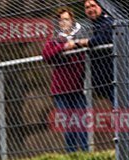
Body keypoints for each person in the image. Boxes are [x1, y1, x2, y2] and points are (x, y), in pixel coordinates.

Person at [75, 0, 129, 150]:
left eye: (93, 6)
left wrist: (82, 42)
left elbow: (106, 39)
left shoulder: (109, 21)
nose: (90, 9)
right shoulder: (93, 26)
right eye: (87, 7)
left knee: (123, 108)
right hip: (111, 77)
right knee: (125, 109)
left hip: (128, 71)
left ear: (101, 7)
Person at [43, 7, 89, 152]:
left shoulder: (79, 36)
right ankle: (71, 154)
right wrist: (64, 47)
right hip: (60, 89)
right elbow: (46, 55)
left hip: (78, 87)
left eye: (66, 19)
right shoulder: (56, 40)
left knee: (81, 122)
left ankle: (85, 152)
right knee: (68, 124)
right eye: (61, 20)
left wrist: (75, 44)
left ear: (72, 21)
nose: (64, 22)